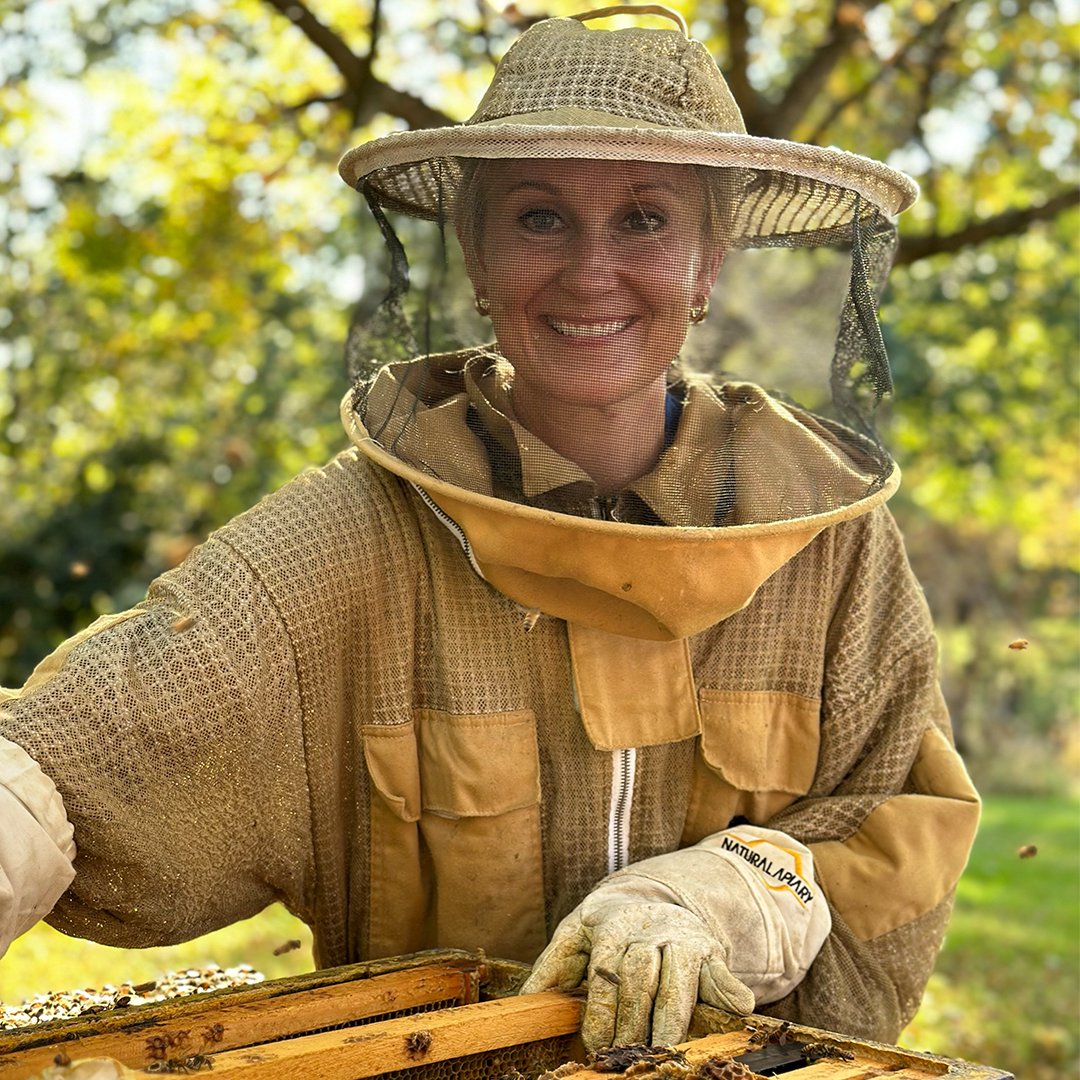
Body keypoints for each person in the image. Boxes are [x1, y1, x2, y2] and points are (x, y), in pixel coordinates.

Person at [0, 4, 978, 1052]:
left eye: (645, 218)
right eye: (540, 217)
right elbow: (62, 765)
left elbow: (893, 824)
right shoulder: (351, 540)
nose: (591, 269)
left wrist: (722, 896)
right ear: (474, 255)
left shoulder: (827, 544)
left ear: (708, 265)